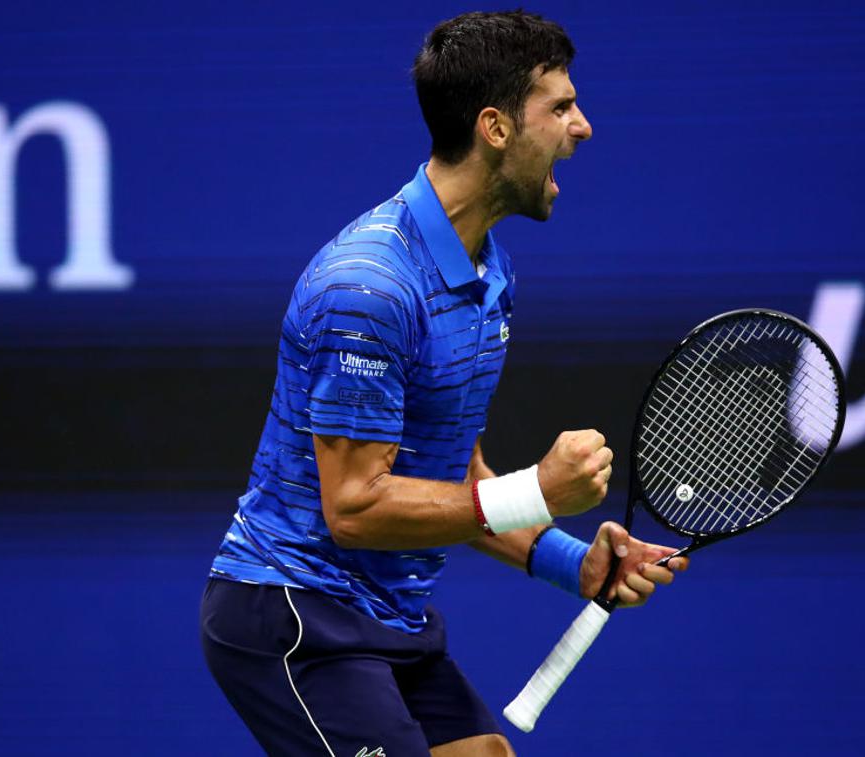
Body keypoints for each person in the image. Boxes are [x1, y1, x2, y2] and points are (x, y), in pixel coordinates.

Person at [200, 11, 689, 756]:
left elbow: (454, 473)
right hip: (296, 614)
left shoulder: (489, 271)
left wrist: (572, 559)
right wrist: (542, 490)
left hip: (390, 616)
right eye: (559, 106)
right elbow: (356, 508)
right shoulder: (369, 287)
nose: (583, 126)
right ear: (495, 127)